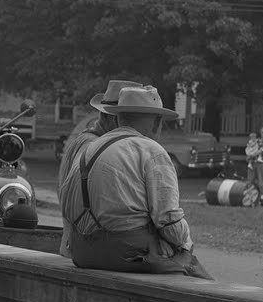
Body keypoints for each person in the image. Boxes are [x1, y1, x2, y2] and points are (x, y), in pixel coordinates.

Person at [58, 85, 212, 279]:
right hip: (126, 253)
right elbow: (168, 220)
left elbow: (65, 201)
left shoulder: (90, 147)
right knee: (194, 268)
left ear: (118, 116)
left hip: (82, 253)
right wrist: (186, 246)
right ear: (156, 122)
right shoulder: (151, 150)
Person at [57, 79, 139, 258]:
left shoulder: (93, 143)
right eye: (129, 119)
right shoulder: (93, 146)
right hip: (85, 246)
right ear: (111, 118)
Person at [244, 124, 263, 203]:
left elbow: (261, 151)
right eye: (262, 131)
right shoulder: (257, 140)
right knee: (250, 180)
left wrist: (251, 155)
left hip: (261, 162)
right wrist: (248, 155)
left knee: (261, 181)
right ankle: (250, 197)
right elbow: (250, 148)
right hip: (252, 162)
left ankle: (262, 198)